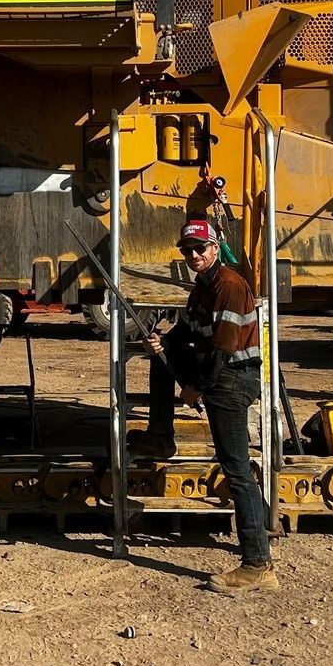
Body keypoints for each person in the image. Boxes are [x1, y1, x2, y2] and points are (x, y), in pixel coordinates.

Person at [136, 217, 278, 594]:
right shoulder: (202, 287)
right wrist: (161, 342)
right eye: (188, 250)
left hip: (231, 378)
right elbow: (186, 332)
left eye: (200, 248)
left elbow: (223, 349)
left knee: (236, 470)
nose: (194, 255)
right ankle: (161, 436)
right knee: (161, 357)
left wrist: (196, 389)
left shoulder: (229, 286)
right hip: (220, 371)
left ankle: (257, 565)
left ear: (215, 248)